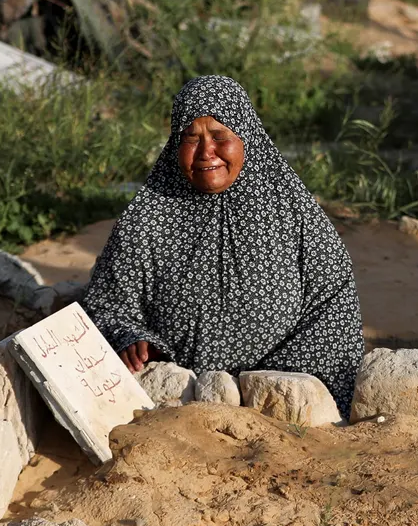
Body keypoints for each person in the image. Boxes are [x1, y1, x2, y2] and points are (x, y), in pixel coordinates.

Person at [82, 75, 365, 418]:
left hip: (281, 402)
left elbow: (333, 303)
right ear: (175, 144)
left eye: (220, 137)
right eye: (191, 138)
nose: (206, 152)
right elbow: (108, 303)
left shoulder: (291, 210)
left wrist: (270, 384)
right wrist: (129, 338)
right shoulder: (147, 217)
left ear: (245, 138)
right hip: (179, 405)